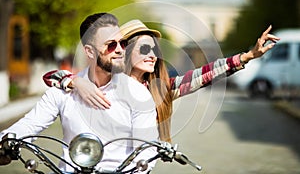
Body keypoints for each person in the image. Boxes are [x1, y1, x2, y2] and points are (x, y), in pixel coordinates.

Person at [43, 20, 280, 143]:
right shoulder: (105, 82)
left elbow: (203, 75)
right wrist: (76, 83)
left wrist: (247, 56)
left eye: (154, 49)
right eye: (144, 48)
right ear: (125, 51)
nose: (152, 54)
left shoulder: (161, 88)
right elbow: (51, 76)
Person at [0, 14, 158, 173]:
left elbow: (146, 147)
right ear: (90, 51)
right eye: (111, 45)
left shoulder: (138, 94)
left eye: (122, 44)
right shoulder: (64, 91)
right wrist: (6, 140)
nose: (119, 50)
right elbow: (29, 124)